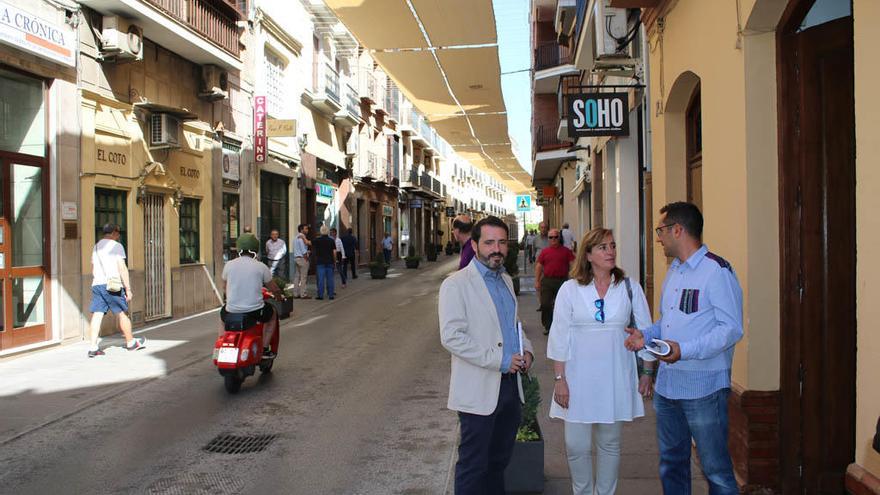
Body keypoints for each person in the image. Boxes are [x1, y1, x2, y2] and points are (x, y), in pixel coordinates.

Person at [624, 202, 743, 495]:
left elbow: (731, 329)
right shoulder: (675, 271)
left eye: (661, 231)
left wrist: (684, 350)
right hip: (668, 389)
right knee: (672, 464)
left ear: (678, 230)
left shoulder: (717, 271)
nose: (659, 237)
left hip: (703, 390)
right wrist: (646, 336)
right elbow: (669, 323)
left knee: (716, 471)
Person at [548, 228, 655, 495]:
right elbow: (559, 335)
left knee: (610, 444)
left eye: (612, 246)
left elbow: (645, 330)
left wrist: (647, 371)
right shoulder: (569, 290)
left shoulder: (629, 287)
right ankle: (582, 491)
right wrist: (559, 379)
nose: (610, 252)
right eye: (602, 247)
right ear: (588, 254)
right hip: (577, 377)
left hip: (615, 376)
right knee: (576, 445)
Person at [439, 216, 535, 494]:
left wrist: (526, 350)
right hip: (478, 390)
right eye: (489, 242)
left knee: (498, 463)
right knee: (473, 466)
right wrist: (501, 361)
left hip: (510, 388)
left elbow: (513, 326)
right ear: (475, 244)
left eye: (502, 242)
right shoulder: (456, 284)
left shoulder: (505, 280)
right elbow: (452, 337)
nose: (497, 248)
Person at [219, 234, 283, 357]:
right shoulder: (261, 266)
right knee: (272, 314)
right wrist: (279, 297)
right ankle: (264, 348)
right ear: (255, 249)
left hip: (231, 310)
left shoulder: (229, 265)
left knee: (222, 317)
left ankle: (222, 342)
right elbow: (274, 288)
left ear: (238, 249)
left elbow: (224, 287)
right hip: (255, 311)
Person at [87, 223, 144, 357]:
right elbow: (122, 268)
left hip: (97, 284)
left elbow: (93, 269)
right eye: (118, 233)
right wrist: (128, 288)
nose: (118, 236)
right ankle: (131, 343)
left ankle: (93, 347)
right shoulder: (117, 246)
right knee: (122, 313)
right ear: (113, 233)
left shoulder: (96, 247)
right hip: (112, 285)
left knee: (97, 314)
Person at [535, 228, 575, 335]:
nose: (553, 239)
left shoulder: (566, 251)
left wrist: (574, 279)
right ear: (548, 239)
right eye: (551, 237)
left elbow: (573, 265)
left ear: (559, 238)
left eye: (556, 237)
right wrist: (537, 281)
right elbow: (539, 266)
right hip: (547, 281)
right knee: (545, 304)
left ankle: (562, 325)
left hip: (562, 281)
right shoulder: (545, 252)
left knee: (562, 305)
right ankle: (548, 326)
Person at [313, 225, 337, 300]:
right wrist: (334, 261)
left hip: (320, 263)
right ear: (327, 231)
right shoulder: (331, 240)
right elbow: (334, 252)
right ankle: (331, 295)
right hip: (330, 262)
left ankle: (320, 295)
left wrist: (303, 238)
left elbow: (309, 243)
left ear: (320, 231)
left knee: (321, 279)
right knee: (330, 279)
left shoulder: (317, 240)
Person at [292, 224, 311, 299]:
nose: (307, 230)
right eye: (306, 229)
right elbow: (303, 251)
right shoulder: (301, 238)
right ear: (301, 230)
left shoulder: (295, 238)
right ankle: (303, 294)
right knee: (303, 277)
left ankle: (295, 293)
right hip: (302, 259)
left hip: (296, 258)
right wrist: (306, 257)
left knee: (297, 277)